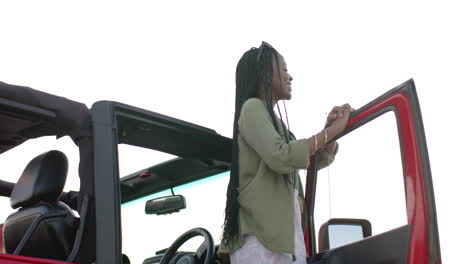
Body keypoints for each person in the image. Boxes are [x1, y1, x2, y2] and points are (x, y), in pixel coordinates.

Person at [218, 42, 352, 264]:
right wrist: (331, 131)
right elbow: (282, 157)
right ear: (265, 75)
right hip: (260, 242)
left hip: (283, 240)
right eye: (284, 70)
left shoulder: (273, 120)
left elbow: (306, 160)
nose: (290, 77)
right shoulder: (252, 108)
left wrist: (329, 132)